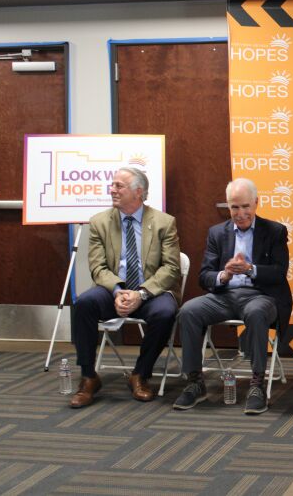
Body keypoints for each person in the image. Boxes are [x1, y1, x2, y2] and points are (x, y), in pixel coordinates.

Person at [174, 178, 292, 415]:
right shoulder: (217, 233)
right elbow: (204, 276)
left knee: (257, 312)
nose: (240, 213)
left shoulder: (274, 231)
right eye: (234, 207)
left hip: (260, 296)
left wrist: (250, 269)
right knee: (188, 310)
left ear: (256, 203)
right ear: (228, 207)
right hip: (224, 296)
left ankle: (257, 384)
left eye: (245, 206)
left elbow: (279, 273)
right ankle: (195, 381)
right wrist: (224, 274)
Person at [70, 166, 181, 408]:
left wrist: (140, 293)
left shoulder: (164, 223)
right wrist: (119, 291)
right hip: (114, 290)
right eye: (112, 185)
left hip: (151, 292)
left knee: (165, 313)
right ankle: (89, 376)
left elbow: (171, 268)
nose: (112, 190)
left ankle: (140, 374)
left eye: (119, 186)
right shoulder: (100, 222)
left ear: (138, 192)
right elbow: (98, 268)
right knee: (84, 304)